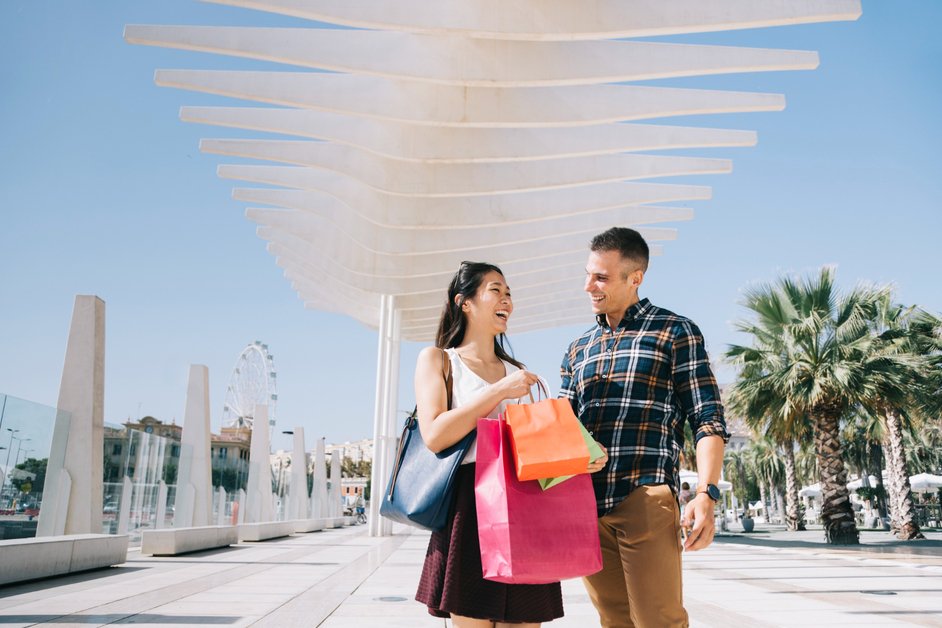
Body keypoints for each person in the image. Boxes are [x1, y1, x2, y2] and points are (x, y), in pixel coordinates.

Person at [415, 261, 603, 627]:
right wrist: (498, 391)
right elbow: (435, 435)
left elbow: (533, 449)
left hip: (523, 505)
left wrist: (581, 455)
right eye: (495, 291)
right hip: (468, 507)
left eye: (509, 294)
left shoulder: (518, 372)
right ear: (464, 303)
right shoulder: (439, 360)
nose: (506, 301)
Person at [560, 227, 729, 628]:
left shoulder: (674, 331)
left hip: (644, 495)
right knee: (613, 620)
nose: (588, 286)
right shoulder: (578, 348)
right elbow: (564, 428)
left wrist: (706, 493)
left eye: (601, 277)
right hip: (587, 505)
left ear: (635, 278)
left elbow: (707, 417)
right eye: (588, 275)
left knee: (659, 621)